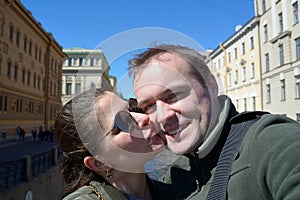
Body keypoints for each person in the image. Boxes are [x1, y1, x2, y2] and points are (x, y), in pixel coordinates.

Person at [129, 44, 300, 199]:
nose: (162, 116)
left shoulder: (271, 141)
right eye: (149, 106)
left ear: (210, 84)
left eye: (173, 95)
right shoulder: (178, 172)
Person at [54, 88, 174, 200]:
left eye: (132, 109)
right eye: (124, 122)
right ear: (99, 163)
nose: (143, 117)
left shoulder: (175, 188)